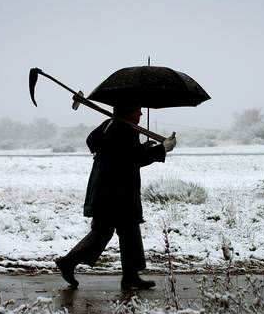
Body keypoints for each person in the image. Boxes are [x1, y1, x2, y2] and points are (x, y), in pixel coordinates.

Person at [55, 103, 177, 290]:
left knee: (128, 231)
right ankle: (69, 262)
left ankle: (130, 276)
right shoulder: (122, 129)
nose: (141, 112)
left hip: (110, 190)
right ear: (128, 111)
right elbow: (133, 159)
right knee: (107, 231)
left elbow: (114, 150)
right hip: (116, 193)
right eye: (137, 109)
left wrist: (140, 146)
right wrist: (162, 149)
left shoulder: (110, 124)